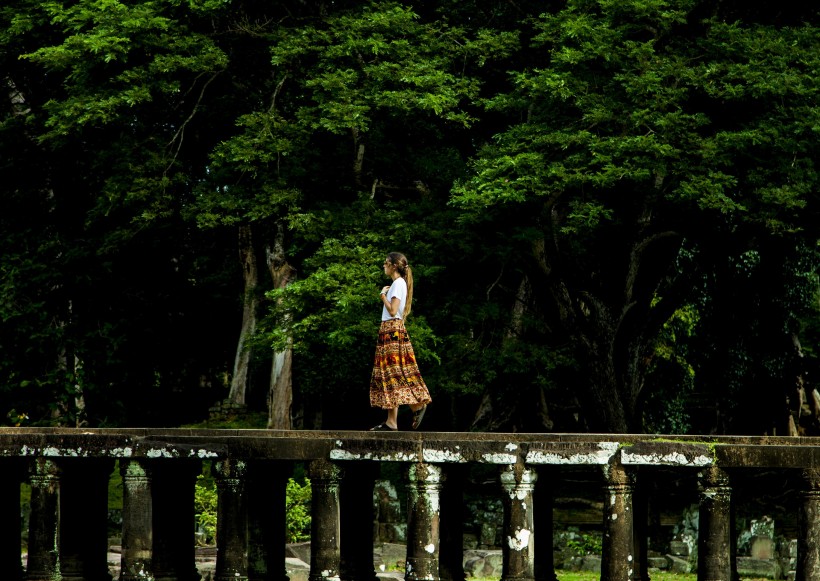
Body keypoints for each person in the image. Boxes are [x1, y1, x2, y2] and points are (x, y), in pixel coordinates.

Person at [369, 252, 431, 431]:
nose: (383, 266)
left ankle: (417, 406)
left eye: (385, 263)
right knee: (391, 374)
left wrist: (382, 295)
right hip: (391, 330)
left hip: (392, 330)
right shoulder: (399, 284)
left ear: (394, 265)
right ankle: (391, 421)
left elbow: (392, 310)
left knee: (394, 373)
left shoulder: (397, 284)